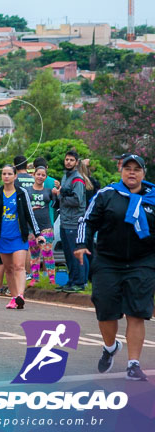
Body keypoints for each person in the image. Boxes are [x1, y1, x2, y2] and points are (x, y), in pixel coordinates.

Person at [75, 154, 154, 381]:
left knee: (136, 312)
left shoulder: (153, 199)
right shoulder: (107, 195)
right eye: (127, 168)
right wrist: (81, 244)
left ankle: (133, 364)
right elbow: (87, 221)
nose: (132, 172)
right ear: (121, 171)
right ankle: (110, 347)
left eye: (136, 169)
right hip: (108, 261)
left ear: (143, 174)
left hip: (143, 262)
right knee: (106, 311)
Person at [0, 165, 40, 310]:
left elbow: (29, 214)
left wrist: (38, 234)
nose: (7, 176)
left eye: (10, 174)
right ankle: (14, 298)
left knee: (19, 266)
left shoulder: (21, 193)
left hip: (18, 236)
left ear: (15, 176)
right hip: (2, 236)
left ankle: (20, 295)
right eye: (4, 174)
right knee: (8, 268)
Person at [59, 149, 91, 293]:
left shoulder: (77, 179)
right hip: (64, 221)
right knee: (68, 254)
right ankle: (71, 281)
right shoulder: (65, 176)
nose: (68, 162)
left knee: (76, 253)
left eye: (71, 160)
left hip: (74, 222)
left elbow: (77, 200)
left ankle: (80, 282)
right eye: (67, 159)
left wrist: (61, 197)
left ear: (76, 162)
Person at [26, 165, 58, 287]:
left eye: (43, 175)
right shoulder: (27, 190)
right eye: (38, 174)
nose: (40, 177)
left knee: (47, 252)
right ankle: (35, 278)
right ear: (34, 174)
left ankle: (52, 279)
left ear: (46, 177)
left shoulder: (49, 191)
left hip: (46, 226)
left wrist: (58, 190)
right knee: (34, 254)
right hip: (31, 227)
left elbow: (57, 204)